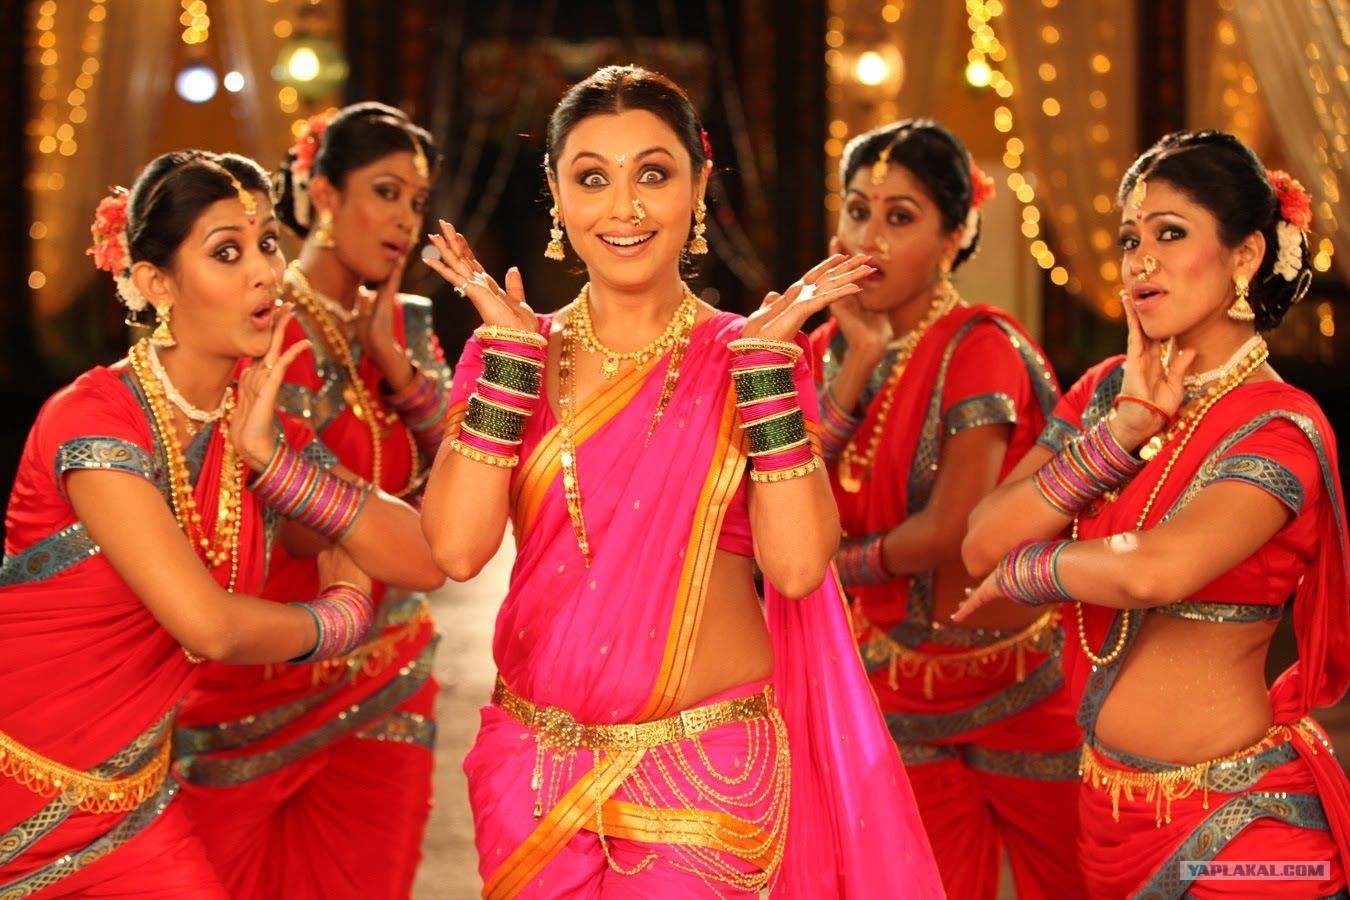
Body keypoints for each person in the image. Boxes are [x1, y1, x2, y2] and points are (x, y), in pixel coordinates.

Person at [420, 65, 943, 897]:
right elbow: (455, 549)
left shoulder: (752, 358)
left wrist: (764, 373)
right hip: (534, 771)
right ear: (557, 194)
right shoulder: (508, 355)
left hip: (702, 772)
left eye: (653, 174)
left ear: (699, 188)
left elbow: (798, 567)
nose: (624, 208)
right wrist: (513, 368)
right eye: (593, 177)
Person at [0, 150, 439, 896]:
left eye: (267, 243)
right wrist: (340, 618)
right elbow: (209, 627)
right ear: (155, 283)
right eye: (227, 252)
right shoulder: (92, 421)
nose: (266, 272)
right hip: (21, 782)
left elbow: (424, 558)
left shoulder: (255, 427)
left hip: (133, 800)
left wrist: (278, 465)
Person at [959, 130, 1350, 898]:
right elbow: (979, 544)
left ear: (1244, 255)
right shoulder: (1106, 395)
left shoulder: (1281, 426)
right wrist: (1121, 435)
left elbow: (1156, 570)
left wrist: (1029, 568)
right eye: (1130, 239)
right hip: (1106, 817)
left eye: (1170, 234)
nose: (1141, 260)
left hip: (1242, 831)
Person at [173, 103, 448, 900]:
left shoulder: (408, 326)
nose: (404, 219)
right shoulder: (257, 324)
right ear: (323, 193)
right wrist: (374, 522)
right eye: (385, 192)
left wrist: (397, 368)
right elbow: (275, 522)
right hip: (258, 680)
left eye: (416, 202)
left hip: (387, 676)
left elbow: (461, 493)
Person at [809, 119, 1081, 899]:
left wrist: (828, 564)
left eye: (900, 217)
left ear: (954, 235)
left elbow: (952, 532)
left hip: (1018, 686)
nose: (870, 239)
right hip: (889, 690)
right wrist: (856, 363)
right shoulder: (821, 349)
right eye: (857, 210)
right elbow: (782, 493)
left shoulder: (979, 347)